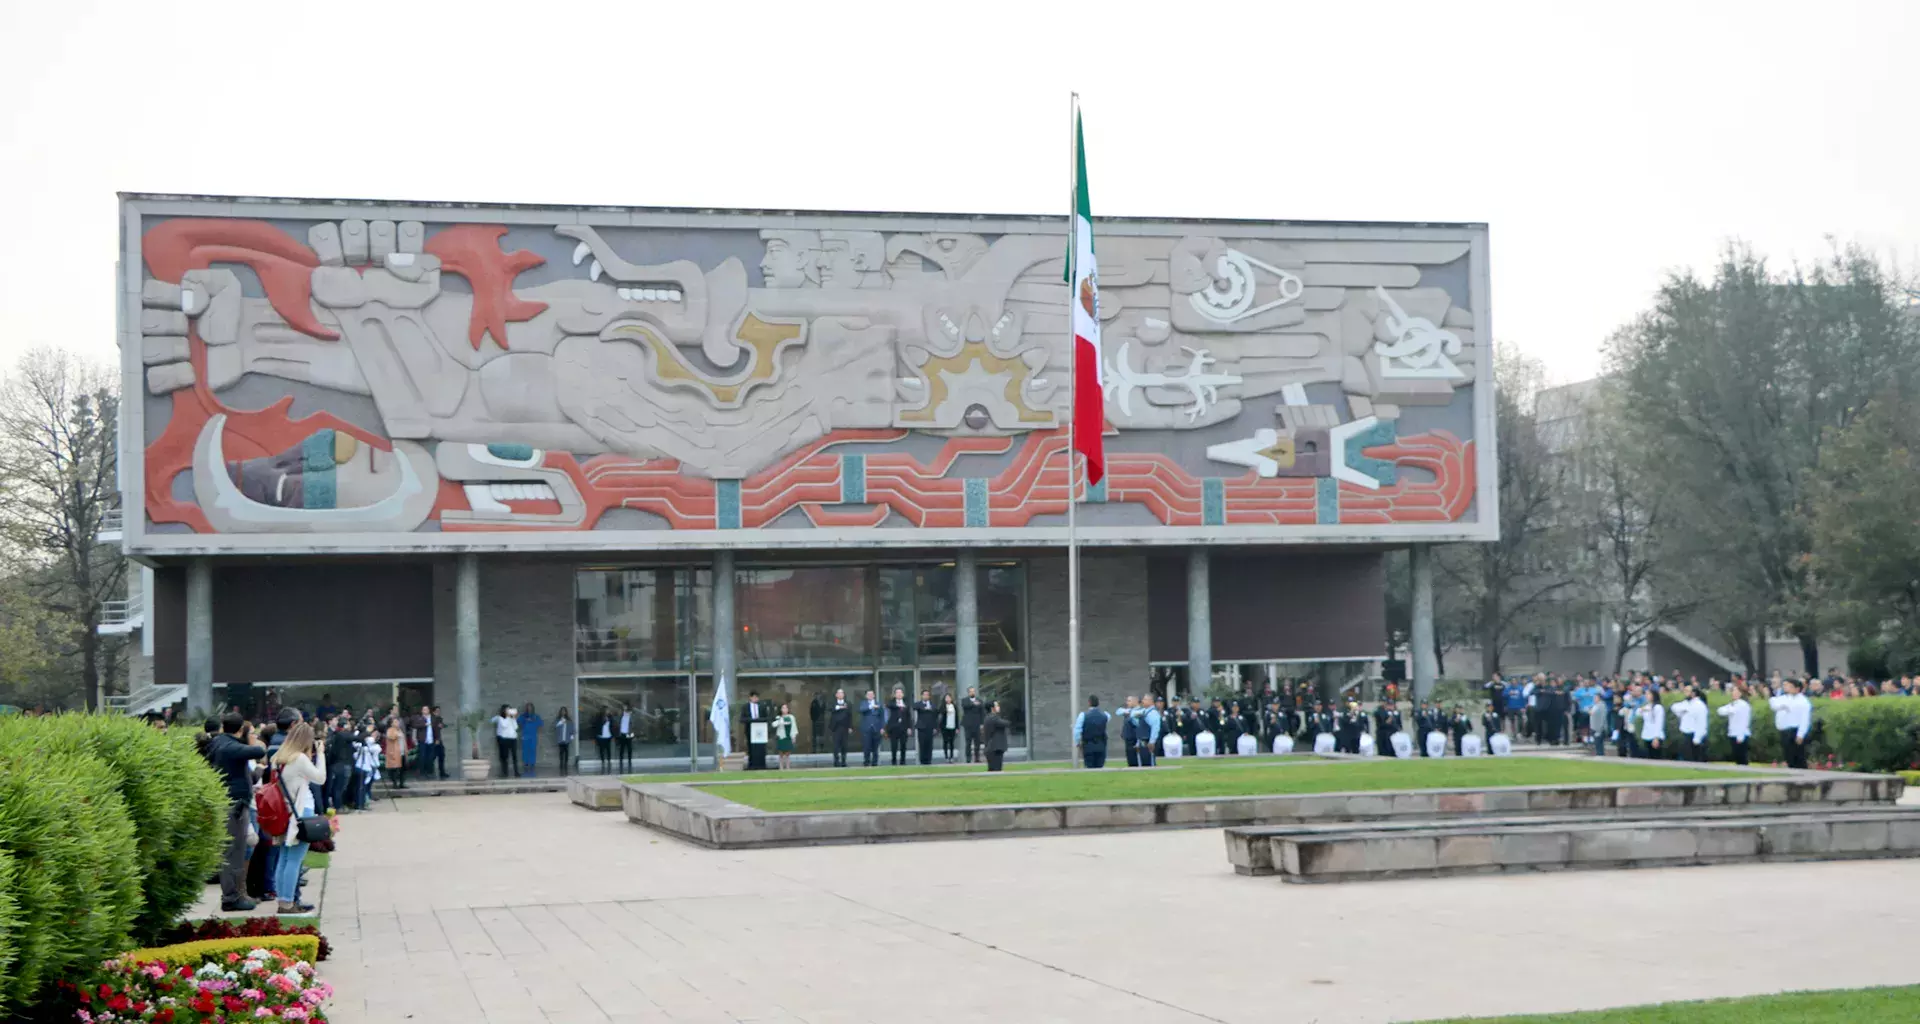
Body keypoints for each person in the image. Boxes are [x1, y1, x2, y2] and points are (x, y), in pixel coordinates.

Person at [208, 713, 267, 911]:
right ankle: (231, 897)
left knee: (234, 850)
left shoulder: (218, 742)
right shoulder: (231, 746)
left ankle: (234, 894)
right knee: (234, 851)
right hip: (235, 804)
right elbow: (259, 751)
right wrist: (252, 740)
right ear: (241, 729)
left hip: (230, 801)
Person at [269, 721, 324, 914]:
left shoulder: (278, 758)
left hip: (285, 811)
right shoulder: (299, 759)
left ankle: (284, 900)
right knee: (294, 859)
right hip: (302, 811)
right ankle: (288, 902)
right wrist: (322, 754)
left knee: (284, 858)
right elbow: (320, 778)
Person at [1771, 680, 1812, 769]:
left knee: (1798, 756)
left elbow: (1805, 719)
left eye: (1789, 686)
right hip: (1785, 731)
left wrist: (1800, 734)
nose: (1786, 687)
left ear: (1797, 689)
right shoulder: (1784, 698)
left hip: (1795, 730)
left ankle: (1804, 778)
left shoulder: (1803, 701)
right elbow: (1773, 704)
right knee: (1788, 756)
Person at [323, 716, 355, 812]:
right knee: (340, 787)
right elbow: (356, 738)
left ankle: (338, 805)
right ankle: (338, 806)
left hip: (337, 763)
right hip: (341, 764)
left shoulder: (336, 734)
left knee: (339, 787)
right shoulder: (342, 734)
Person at [1717, 684, 1752, 765]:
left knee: (1742, 757)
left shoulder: (1743, 705)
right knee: (1736, 756)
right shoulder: (1733, 704)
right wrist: (1730, 709)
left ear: (1740, 693)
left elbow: (1744, 721)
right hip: (1733, 733)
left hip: (1741, 734)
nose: (1733, 693)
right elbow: (1720, 711)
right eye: (1733, 691)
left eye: (1735, 691)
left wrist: (1741, 736)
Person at [411, 705, 447, 780]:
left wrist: (437, 738)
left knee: (430, 757)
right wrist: (425, 724)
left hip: (431, 740)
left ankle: (429, 772)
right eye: (424, 709)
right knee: (422, 756)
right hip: (422, 740)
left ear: (429, 711)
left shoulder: (433, 718)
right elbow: (415, 725)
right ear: (422, 711)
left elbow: (437, 729)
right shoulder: (419, 718)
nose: (425, 711)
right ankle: (422, 772)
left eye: (426, 709)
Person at [1073, 695, 1110, 768]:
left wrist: (1077, 742)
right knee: (1100, 767)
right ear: (1098, 703)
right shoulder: (1105, 715)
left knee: (1089, 767)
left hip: (1088, 745)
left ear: (1089, 703)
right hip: (1101, 745)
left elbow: (1077, 730)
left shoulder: (1083, 715)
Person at [743, 691, 773, 770]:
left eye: (757, 697)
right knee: (751, 748)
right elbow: (742, 718)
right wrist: (751, 720)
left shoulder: (762, 706)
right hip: (750, 730)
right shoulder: (746, 706)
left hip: (760, 731)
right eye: (754, 697)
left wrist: (760, 720)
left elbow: (767, 717)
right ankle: (751, 765)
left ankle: (762, 764)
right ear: (750, 697)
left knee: (761, 747)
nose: (755, 699)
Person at [1677, 687, 1709, 762]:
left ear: (1693, 693)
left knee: (1694, 759)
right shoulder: (1687, 703)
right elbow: (1675, 707)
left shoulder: (1699, 705)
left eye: (1688, 691)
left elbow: (1701, 723)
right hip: (1687, 734)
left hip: (1695, 735)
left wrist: (1697, 738)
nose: (1685, 693)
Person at [490, 704, 520, 778]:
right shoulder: (500, 718)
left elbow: (516, 727)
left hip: (512, 738)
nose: (508, 711)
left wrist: (513, 719)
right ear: (503, 710)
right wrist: (508, 717)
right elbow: (504, 725)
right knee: (504, 757)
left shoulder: (512, 718)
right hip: (503, 739)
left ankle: (516, 772)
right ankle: (504, 773)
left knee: (514, 756)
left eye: (509, 710)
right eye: (507, 710)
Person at [1634, 695, 1666, 759]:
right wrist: (1642, 709)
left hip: (1655, 735)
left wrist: (1656, 737)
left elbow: (1659, 723)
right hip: (1647, 734)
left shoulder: (1658, 707)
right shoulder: (1646, 706)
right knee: (1648, 756)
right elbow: (1638, 713)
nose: (1647, 696)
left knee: (1656, 756)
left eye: (1649, 694)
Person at [860, 689, 886, 768]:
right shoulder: (863, 703)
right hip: (867, 728)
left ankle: (875, 763)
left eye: (871, 694)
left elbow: (882, 717)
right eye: (868, 694)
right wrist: (871, 706)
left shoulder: (878, 704)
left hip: (876, 728)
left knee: (875, 747)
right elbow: (861, 710)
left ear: (874, 695)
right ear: (866, 696)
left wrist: (882, 727)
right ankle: (866, 763)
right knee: (866, 746)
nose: (870, 696)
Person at [885, 688, 911, 766]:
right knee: (894, 746)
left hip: (903, 727)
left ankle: (903, 761)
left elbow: (908, 716)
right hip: (894, 728)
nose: (899, 694)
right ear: (895, 694)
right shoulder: (892, 702)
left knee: (903, 745)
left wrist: (909, 727)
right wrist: (899, 705)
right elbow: (889, 705)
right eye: (897, 693)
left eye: (900, 693)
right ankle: (894, 761)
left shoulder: (906, 703)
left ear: (903, 694)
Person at [982, 700, 1010, 772]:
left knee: (993, 770)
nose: (998, 707)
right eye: (997, 705)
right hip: (994, 749)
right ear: (992, 708)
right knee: (996, 770)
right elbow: (1006, 723)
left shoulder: (989, 717)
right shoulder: (993, 718)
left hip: (993, 748)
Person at [828, 689, 854, 768]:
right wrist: (839, 707)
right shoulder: (833, 703)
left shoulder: (848, 703)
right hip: (836, 727)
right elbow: (830, 709)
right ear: (836, 695)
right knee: (836, 745)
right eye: (838, 693)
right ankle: (836, 761)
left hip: (845, 727)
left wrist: (850, 727)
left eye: (842, 693)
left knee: (844, 745)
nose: (840, 694)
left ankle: (843, 761)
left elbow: (850, 715)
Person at [913, 690, 938, 766]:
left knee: (929, 744)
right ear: (922, 696)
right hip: (922, 728)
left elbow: (935, 716)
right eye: (924, 695)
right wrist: (924, 707)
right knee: (922, 744)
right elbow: (914, 706)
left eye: (927, 695)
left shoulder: (932, 705)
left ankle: (929, 760)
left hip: (930, 727)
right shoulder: (919, 704)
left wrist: (935, 727)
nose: (926, 696)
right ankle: (922, 761)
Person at [385, 715, 410, 790]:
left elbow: (404, 741)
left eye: (398, 722)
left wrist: (406, 750)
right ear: (392, 723)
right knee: (395, 769)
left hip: (402, 752)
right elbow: (391, 737)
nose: (397, 723)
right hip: (394, 753)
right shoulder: (390, 730)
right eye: (395, 722)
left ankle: (402, 783)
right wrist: (396, 734)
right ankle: (395, 783)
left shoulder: (400, 730)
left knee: (403, 769)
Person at [961, 687, 985, 763]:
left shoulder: (980, 700)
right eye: (971, 691)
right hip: (968, 724)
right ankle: (968, 758)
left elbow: (982, 713)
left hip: (977, 724)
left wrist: (982, 724)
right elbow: (965, 706)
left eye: (973, 691)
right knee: (968, 742)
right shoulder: (965, 700)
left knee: (977, 742)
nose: (972, 693)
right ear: (968, 693)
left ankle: (977, 758)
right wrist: (973, 704)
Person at [519, 703, 544, 777]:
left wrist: (533, 720)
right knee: (525, 751)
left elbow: (541, 723)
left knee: (532, 750)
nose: (529, 708)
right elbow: (518, 721)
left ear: (533, 708)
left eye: (530, 707)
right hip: (525, 736)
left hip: (533, 737)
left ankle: (532, 764)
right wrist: (525, 720)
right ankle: (526, 765)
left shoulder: (536, 716)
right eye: (528, 707)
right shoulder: (523, 716)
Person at [772, 703, 798, 770]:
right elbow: (773, 725)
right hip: (781, 737)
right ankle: (781, 767)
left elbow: (794, 727)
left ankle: (788, 767)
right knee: (781, 753)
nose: (784, 709)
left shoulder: (791, 717)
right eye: (783, 708)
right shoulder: (779, 717)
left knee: (787, 754)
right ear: (781, 709)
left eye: (786, 708)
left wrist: (794, 736)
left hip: (788, 736)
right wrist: (779, 721)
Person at [1587, 690, 1611, 757]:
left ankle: (1600, 755)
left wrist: (1600, 730)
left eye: (1595, 697)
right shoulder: (1596, 705)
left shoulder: (1601, 705)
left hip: (1599, 728)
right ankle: (1599, 755)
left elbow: (1602, 718)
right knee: (1597, 744)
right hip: (1594, 727)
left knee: (1599, 744)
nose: (1594, 699)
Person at [553, 707, 575, 776]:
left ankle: (565, 764)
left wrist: (571, 735)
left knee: (566, 751)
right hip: (560, 738)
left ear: (566, 712)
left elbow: (572, 727)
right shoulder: (558, 720)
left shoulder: (569, 720)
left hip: (567, 738)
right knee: (561, 752)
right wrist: (560, 722)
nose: (563, 712)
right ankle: (561, 763)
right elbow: (555, 726)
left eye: (564, 711)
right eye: (562, 711)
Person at [939, 693, 959, 763]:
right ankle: (946, 756)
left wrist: (957, 727)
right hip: (945, 727)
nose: (948, 699)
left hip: (952, 726)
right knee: (945, 741)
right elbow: (941, 712)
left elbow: (957, 717)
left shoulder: (954, 706)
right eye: (946, 698)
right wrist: (946, 710)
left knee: (951, 742)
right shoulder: (943, 706)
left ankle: (951, 756)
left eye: (949, 698)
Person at [616, 703, 636, 773]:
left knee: (629, 748)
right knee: (622, 748)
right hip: (622, 734)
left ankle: (629, 761)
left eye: (625, 707)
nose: (624, 708)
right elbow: (618, 723)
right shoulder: (621, 715)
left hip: (628, 734)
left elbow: (633, 725)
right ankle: (621, 761)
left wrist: (632, 734)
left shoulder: (631, 715)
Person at [595, 710, 614, 774]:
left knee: (608, 749)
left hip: (608, 736)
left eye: (607, 712)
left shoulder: (610, 718)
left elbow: (612, 726)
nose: (607, 713)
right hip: (601, 736)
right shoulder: (600, 719)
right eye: (606, 712)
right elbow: (597, 726)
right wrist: (604, 721)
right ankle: (603, 761)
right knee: (602, 749)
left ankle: (609, 761)